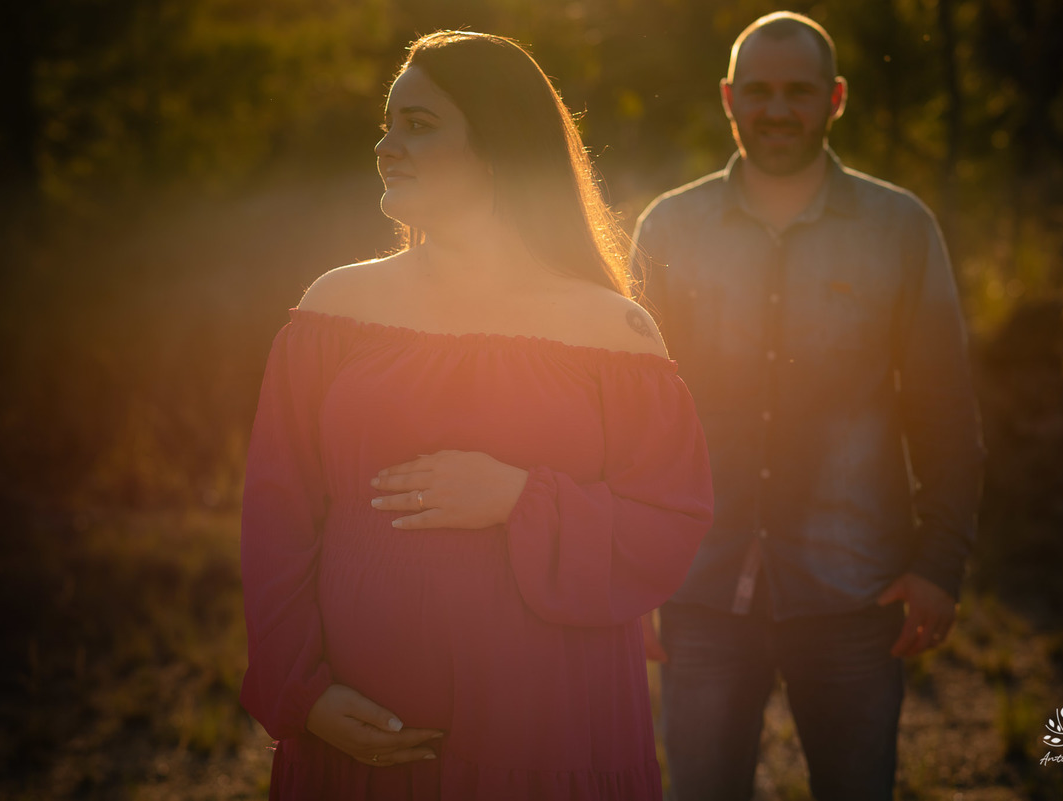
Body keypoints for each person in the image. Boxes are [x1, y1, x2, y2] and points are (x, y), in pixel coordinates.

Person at [239, 31, 713, 801]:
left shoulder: (611, 330)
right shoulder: (334, 307)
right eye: (387, 124)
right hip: (359, 736)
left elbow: (671, 517)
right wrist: (304, 694)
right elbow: (277, 517)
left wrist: (521, 497)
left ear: (498, 143)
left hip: (551, 729)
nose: (386, 146)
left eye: (418, 125)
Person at [632, 12, 984, 801]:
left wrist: (939, 563)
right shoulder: (670, 227)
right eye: (759, 91)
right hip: (702, 588)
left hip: (856, 587)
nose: (778, 109)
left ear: (836, 98)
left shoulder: (899, 227)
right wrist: (633, 571)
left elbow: (945, 409)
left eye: (799, 91)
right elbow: (636, 420)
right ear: (729, 97)